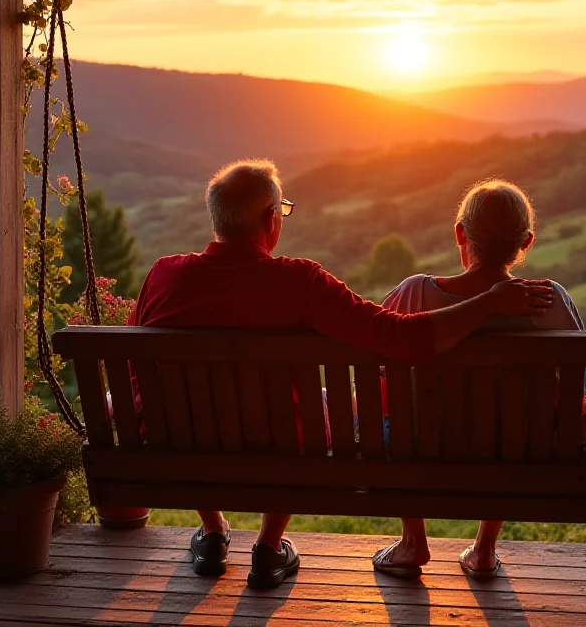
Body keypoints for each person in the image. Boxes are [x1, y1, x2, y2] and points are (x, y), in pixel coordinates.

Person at [129, 160, 555, 590]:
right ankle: (268, 545)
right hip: (282, 450)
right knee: (296, 415)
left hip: (178, 444)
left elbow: (136, 367)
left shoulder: (163, 275)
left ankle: (214, 531)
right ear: (270, 220)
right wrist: (488, 304)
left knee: (202, 413)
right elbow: (398, 338)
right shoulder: (300, 282)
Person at [372, 178, 584, 581]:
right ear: (526, 243)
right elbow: (579, 384)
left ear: (460, 234)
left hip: (420, 446)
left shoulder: (415, 292)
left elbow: (381, 374)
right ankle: (484, 549)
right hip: (516, 450)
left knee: (396, 415)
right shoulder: (547, 298)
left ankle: (413, 540)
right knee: (510, 424)